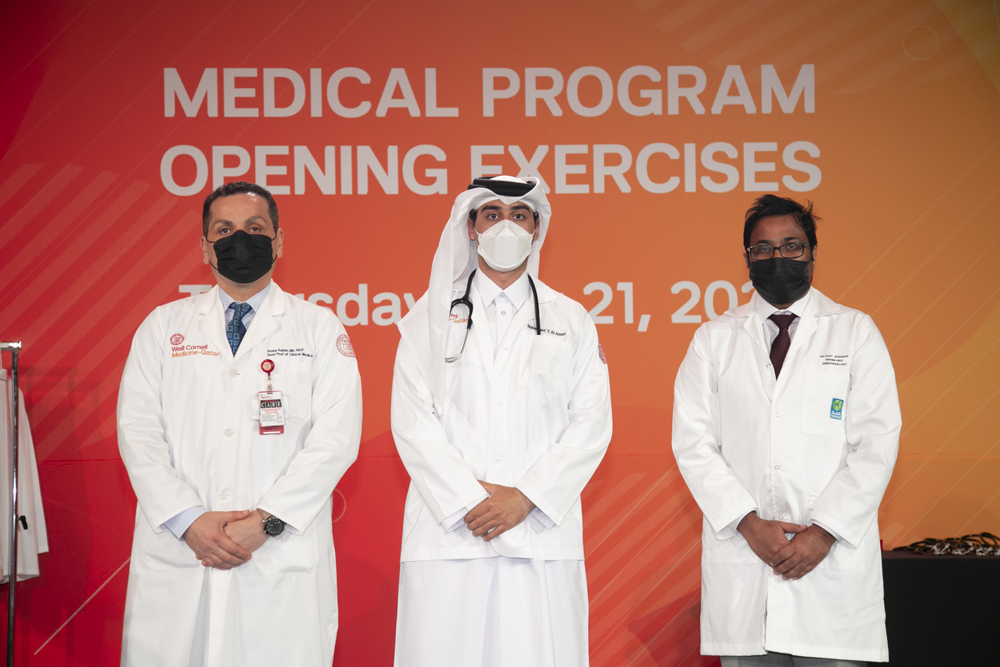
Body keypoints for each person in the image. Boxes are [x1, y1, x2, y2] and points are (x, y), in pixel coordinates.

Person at [117, 181, 362, 667]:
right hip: (183, 549)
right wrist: (188, 520)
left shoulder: (318, 327)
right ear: (205, 246)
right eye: (224, 230)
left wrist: (266, 522)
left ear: (279, 241)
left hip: (275, 553)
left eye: (255, 228)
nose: (240, 240)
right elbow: (138, 433)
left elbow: (335, 440)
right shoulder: (164, 327)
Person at [391, 175, 612, 667]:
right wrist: (473, 503)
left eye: (520, 215)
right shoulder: (426, 316)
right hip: (449, 534)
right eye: (492, 215)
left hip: (539, 535)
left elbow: (591, 425)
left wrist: (524, 498)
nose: (506, 226)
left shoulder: (571, 319)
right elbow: (412, 423)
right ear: (471, 228)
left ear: (537, 229)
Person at [672, 194, 901, 666]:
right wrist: (750, 526)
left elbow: (876, 443)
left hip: (831, 567)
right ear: (747, 258)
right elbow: (693, 444)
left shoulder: (855, 332)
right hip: (746, 558)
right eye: (764, 249)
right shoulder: (713, 340)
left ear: (813, 253)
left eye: (791, 246)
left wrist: (823, 533)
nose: (778, 258)